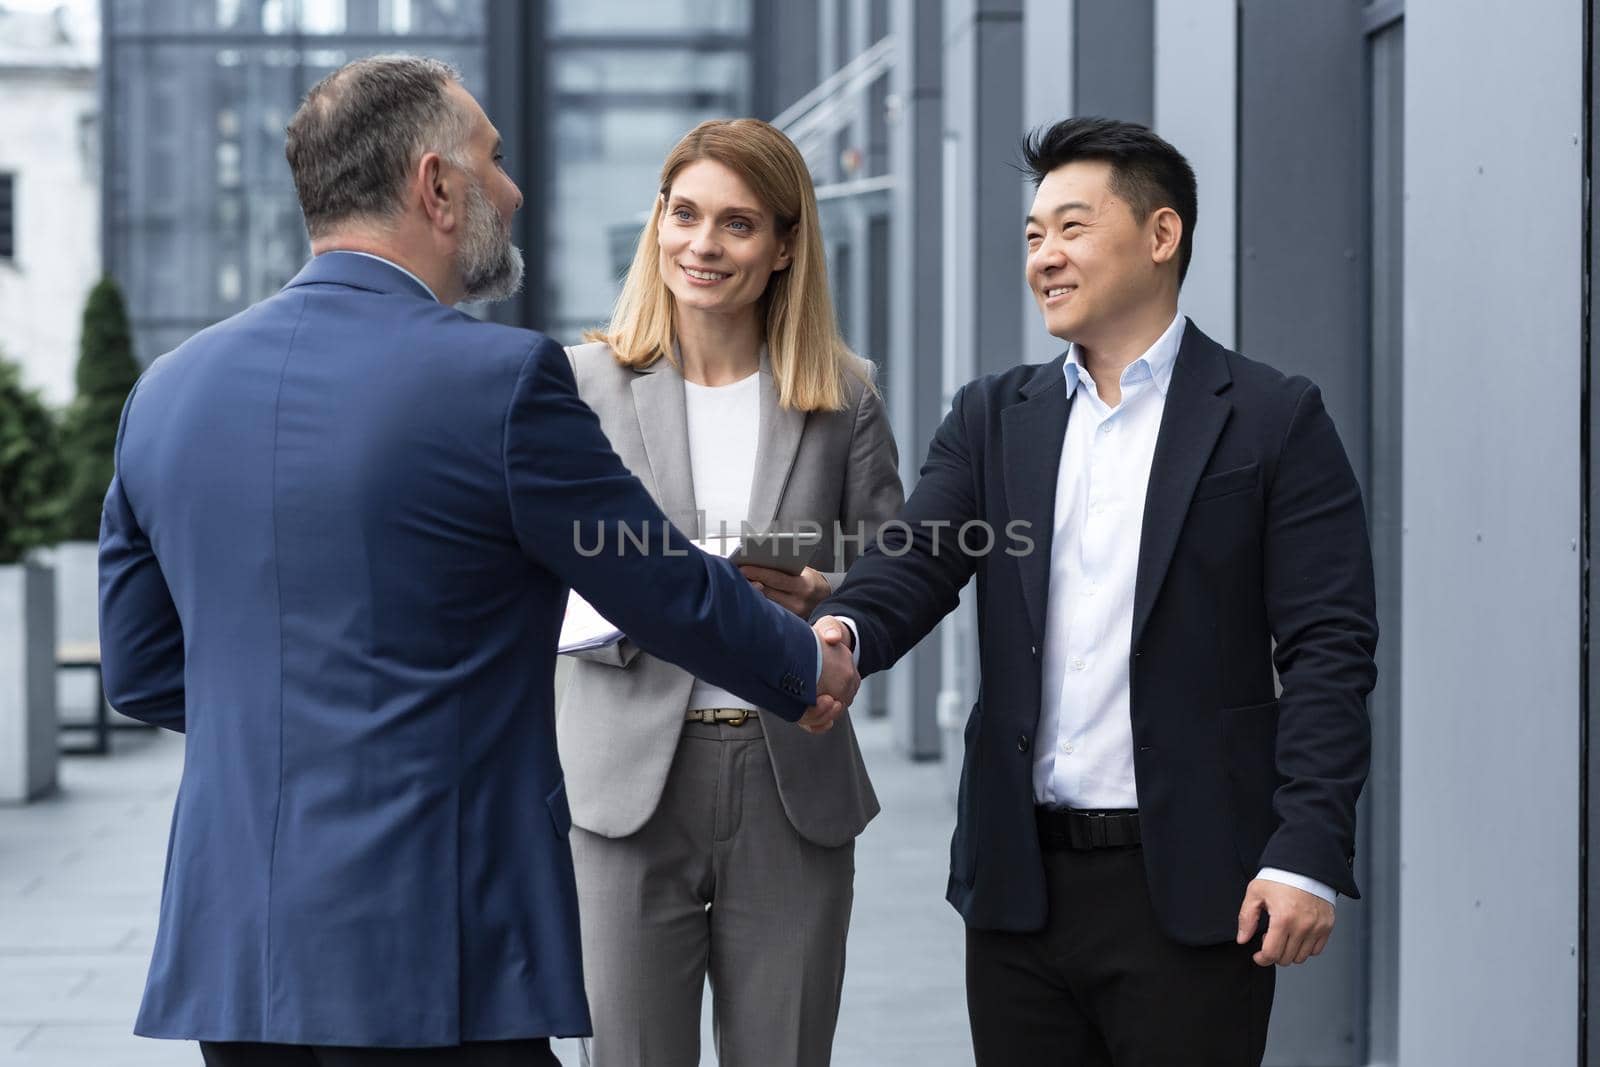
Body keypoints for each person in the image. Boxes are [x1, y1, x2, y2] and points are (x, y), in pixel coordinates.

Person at [97, 55, 858, 1067]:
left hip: (237, 947)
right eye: (493, 160)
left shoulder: (166, 389)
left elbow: (143, 671)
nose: (512, 187)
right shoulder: (497, 380)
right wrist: (804, 664)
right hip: (431, 940)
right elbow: (657, 580)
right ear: (435, 186)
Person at [813, 116, 1378, 1065]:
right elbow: (916, 557)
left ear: (1162, 236)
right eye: (1034, 236)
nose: (1044, 257)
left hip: (1199, 885)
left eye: (1071, 228)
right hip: (1019, 890)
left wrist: (1306, 847)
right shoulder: (995, 416)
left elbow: (1328, 648)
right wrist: (839, 632)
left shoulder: (1274, 419)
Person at [556, 118, 903, 1067]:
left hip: (789, 770)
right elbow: (524, 570)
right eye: (686, 214)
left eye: (739, 224)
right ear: (659, 220)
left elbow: (896, 563)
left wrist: (824, 592)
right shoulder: (577, 384)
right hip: (624, 778)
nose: (703, 245)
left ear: (786, 243)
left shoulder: (843, 390)